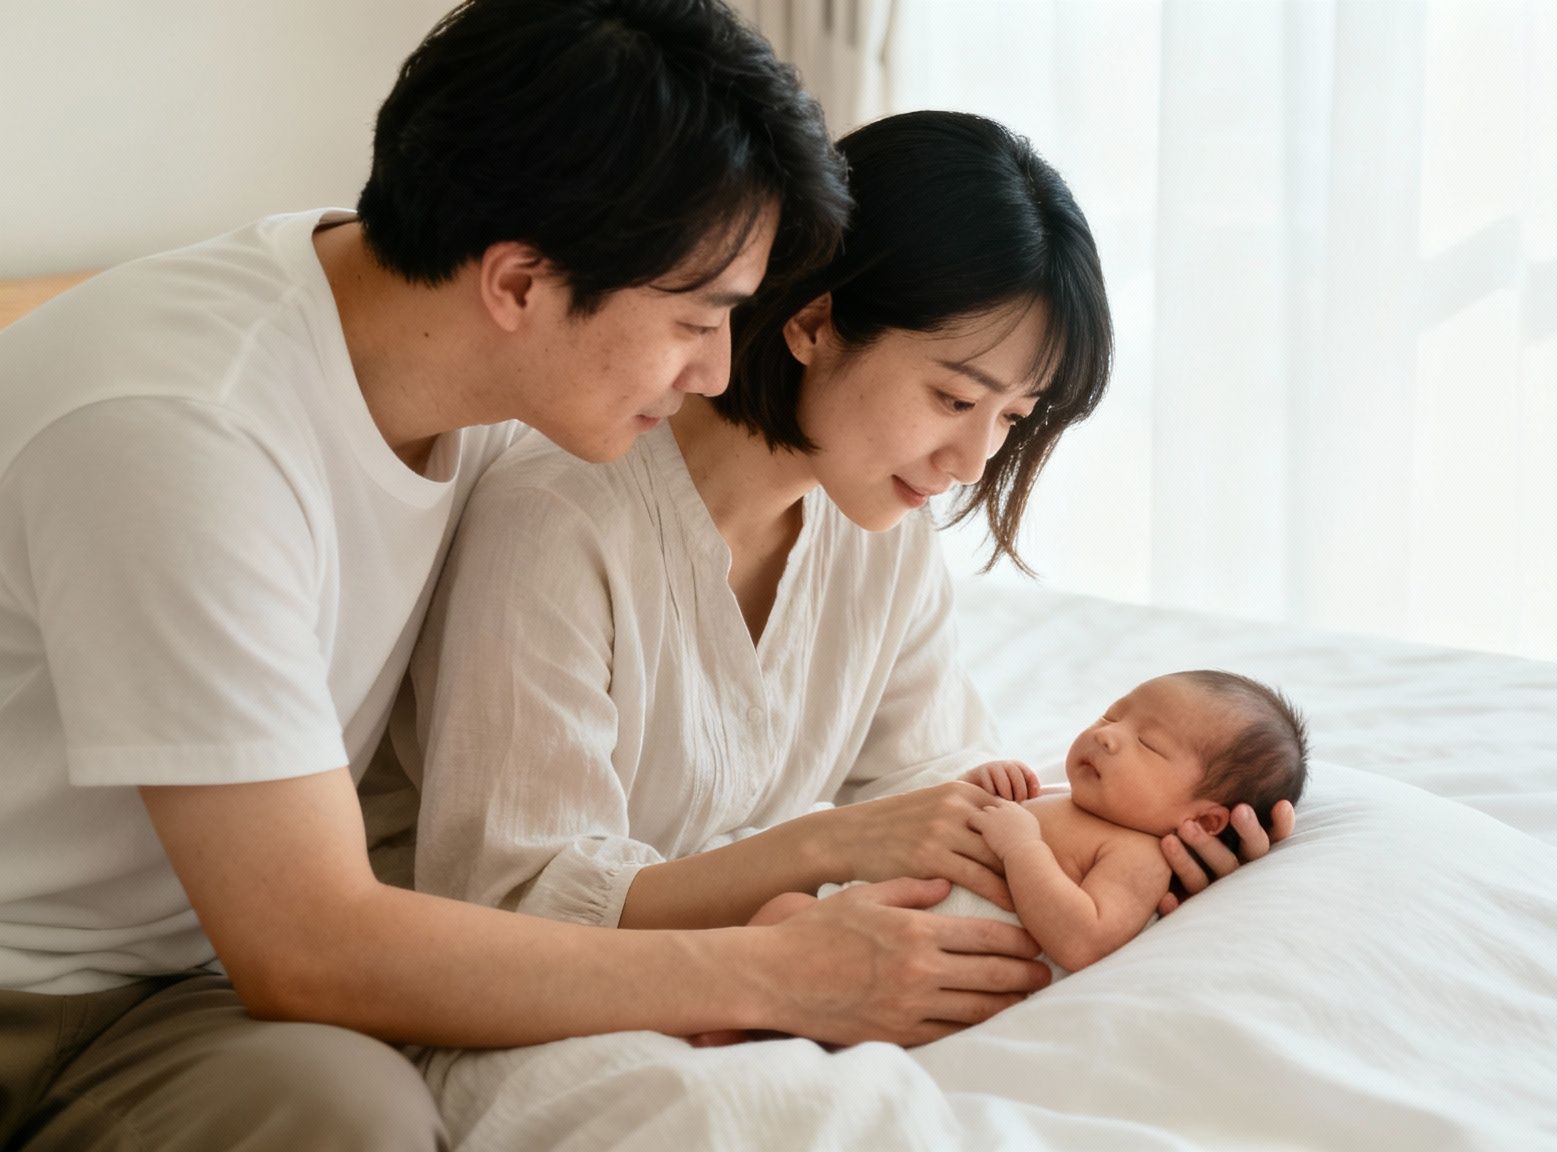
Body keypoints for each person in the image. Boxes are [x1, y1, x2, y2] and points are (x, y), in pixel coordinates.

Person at [0, 1, 902, 1148]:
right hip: (33, 981)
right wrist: (773, 976)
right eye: (695, 317)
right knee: (357, 1118)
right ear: (519, 283)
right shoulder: (184, 432)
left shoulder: (464, 374)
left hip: (189, 976)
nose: (718, 367)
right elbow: (309, 947)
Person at [398, 110, 1295, 1146]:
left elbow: (935, 783)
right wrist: (815, 853)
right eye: (953, 396)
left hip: (775, 976)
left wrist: (1129, 853)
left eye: (1010, 420)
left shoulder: (878, 530)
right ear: (815, 320)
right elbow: (512, 905)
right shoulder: (559, 519)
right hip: (534, 1004)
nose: (970, 461)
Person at [789, 671, 1310, 981]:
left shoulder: (1139, 855)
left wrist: (1023, 849)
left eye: (1149, 744)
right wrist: (979, 784)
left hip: (912, 956)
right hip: (860, 905)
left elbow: (1083, 939)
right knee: (780, 914)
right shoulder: (1062, 797)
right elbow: (945, 821)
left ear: (1204, 819)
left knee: (797, 943)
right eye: (1111, 716)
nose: (1108, 736)